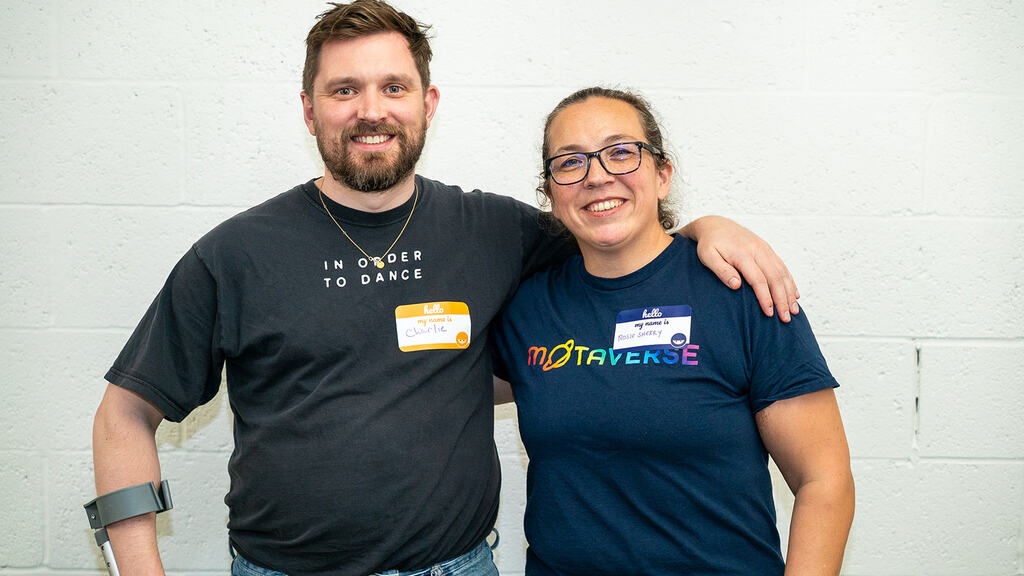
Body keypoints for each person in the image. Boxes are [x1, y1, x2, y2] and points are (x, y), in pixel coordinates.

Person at [91, 3, 804, 576]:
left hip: (456, 566)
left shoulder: (497, 231)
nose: (371, 110)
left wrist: (702, 228)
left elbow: (615, 226)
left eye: (393, 87)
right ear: (309, 110)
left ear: (428, 103)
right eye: (344, 90)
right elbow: (124, 414)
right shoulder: (235, 254)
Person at [492, 87, 855, 576]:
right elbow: (436, 385)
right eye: (570, 162)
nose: (596, 176)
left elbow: (824, 480)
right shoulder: (529, 308)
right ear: (551, 195)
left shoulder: (741, 292)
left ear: (662, 175)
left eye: (621, 152)